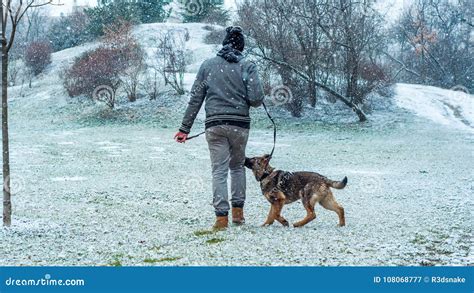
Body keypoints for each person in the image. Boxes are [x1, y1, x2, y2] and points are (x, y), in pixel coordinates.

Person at [174, 26, 264, 230]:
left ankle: (221, 218)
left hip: (214, 126)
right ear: (241, 46)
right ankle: (238, 215)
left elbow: (196, 98)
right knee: (237, 167)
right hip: (239, 126)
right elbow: (257, 100)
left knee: (219, 170)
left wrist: (184, 129)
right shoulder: (248, 65)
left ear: (224, 44)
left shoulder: (208, 66)